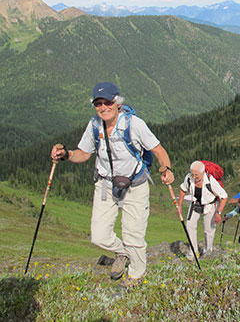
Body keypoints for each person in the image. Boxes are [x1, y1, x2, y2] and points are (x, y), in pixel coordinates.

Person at [51, 82, 174, 286]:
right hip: (106, 184)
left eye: (107, 102)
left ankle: (135, 276)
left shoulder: (134, 124)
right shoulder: (94, 126)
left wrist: (167, 169)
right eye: (98, 103)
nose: (103, 107)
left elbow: (159, 151)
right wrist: (66, 154)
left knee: (133, 234)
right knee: (99, 235)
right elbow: (83, 154)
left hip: (135, 184)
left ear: (117, 102)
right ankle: (123, 253)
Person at [177, 161, 228, 260]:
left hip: (209, 205)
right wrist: (179, 206)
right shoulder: (189, 178)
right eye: (192, 174)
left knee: (208, 230)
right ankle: (193, 252)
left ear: (203, 172)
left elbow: (224, 196)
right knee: (190, 226)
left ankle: (208, 251)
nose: (194, 177)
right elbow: (183, 189)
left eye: (196, 175)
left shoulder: (210, 180)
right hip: (195, 203)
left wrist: (219, 213)